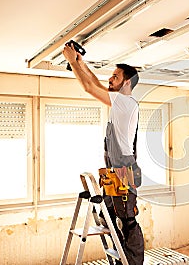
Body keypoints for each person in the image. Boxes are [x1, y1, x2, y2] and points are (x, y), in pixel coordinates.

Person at [63, 42, 144, 265]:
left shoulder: (126, 103)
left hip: (125, 170)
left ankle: (133, 262)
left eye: (115, 76)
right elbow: (96, 84)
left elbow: (90, 88)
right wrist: (81, 63)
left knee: (127, 220)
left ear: (127, 82)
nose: (110, 79)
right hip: (114, 169)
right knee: (111, 218)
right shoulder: (118, 102)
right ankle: (119, 261)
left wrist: (72, 61)